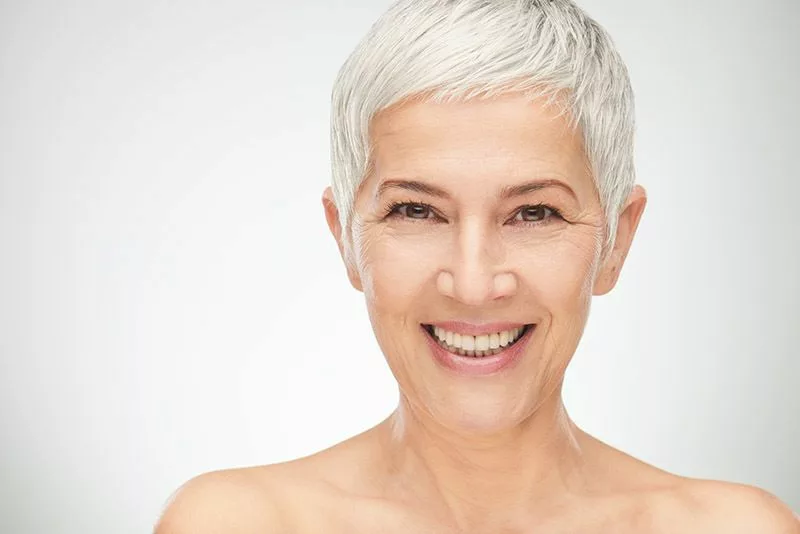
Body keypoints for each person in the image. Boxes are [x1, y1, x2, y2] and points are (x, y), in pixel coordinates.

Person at [155, 1, 799, 532]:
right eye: (416, 211)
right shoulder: (231, 522)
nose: (472, 283)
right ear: (345, 239)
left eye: (535, 214)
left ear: (617, 242)